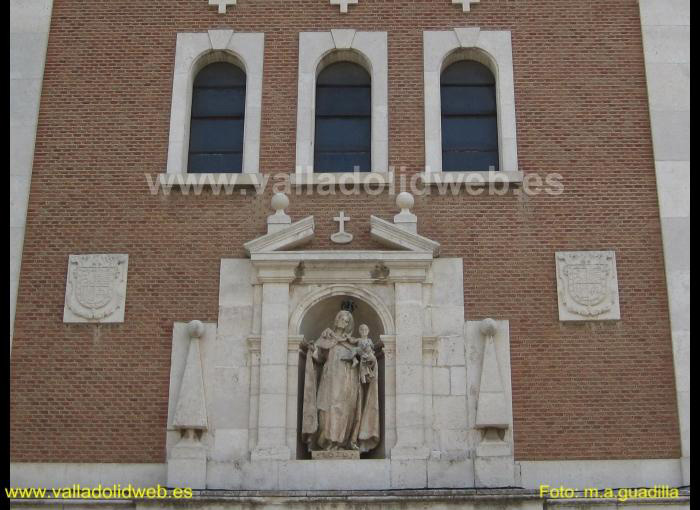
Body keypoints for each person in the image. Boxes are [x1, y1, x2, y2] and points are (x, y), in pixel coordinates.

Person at [301, 309, 380, 453]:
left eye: (347, 320)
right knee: (326, 411)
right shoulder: (326, 338)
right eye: (342, 318)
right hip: (329, 381)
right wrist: (313, 350)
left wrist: (367, 357)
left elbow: (368, 359)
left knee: (346, 411)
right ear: (336, 319)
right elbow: (318, 359)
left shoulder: (354, 342)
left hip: (348, 381)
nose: (344, 322)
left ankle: (341, 443)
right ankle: (326, 442)